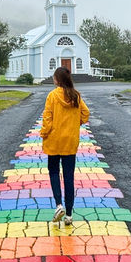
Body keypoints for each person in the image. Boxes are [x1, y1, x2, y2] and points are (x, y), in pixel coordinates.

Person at [40, 66, 90, 225]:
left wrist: (43, 133)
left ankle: (58, 205)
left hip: (54, 141)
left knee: (53, 172)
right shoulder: (76, 96)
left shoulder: (52, 96)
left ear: (57, 80)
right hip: (70, 141)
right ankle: (69, 214)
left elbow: (47, 119)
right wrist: (76, 123)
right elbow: (86, 114)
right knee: (69, 177)